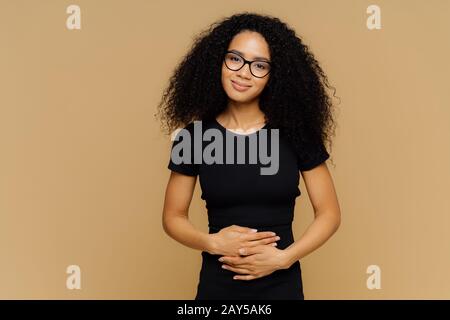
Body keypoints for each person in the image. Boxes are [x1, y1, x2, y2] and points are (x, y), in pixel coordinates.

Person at [156, 12, 341, 300]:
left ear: (274, 75)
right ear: (218, 60)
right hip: (217, 288)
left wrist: (284, 259)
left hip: (282, 287)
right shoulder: (193, 137)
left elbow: (329, 214)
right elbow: (173, 217)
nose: (243, 72)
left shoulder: (296, 134)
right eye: (235, 59)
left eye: (259, 65)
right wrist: (211, 243)